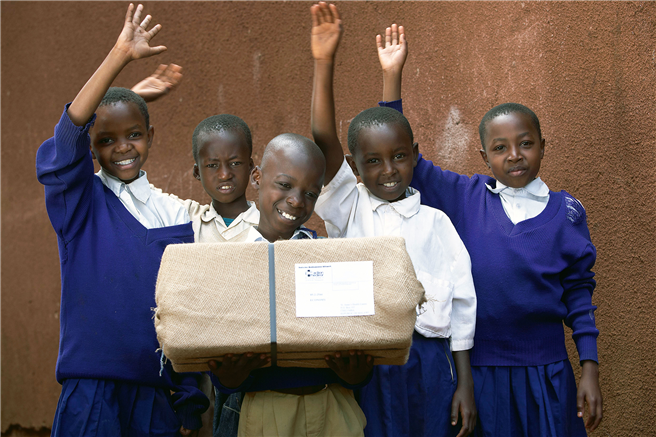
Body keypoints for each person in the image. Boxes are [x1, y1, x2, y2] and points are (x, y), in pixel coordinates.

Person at [378, 27, 603, 437]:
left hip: (548, 373)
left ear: (542, 146)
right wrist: (392, 77)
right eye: (500, 148)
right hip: (480, 373)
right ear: (484, 156)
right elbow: (409, 156)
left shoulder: (566, 212)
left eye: (526, 143)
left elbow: (579, 295)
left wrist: (589, 369)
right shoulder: (466, 197)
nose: (514, 156)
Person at [35, 5, 208, 436]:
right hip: (92, 393)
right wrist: (120, 56)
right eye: (106, 141)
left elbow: (182, 308)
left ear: (152, 137)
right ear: (91, 151)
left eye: (134, 135)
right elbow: (69, 134)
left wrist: (188, 394)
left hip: (154, 395)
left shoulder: (173, 213)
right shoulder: (81, 202)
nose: (122, 148)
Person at [309, 3, 477, 436]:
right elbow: (324, 138)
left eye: (400, 157)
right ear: (355, 166)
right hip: (367, 363)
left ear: (416, 156)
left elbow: (461, 304)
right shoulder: (349, 206)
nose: (388, 170)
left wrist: (466, 383)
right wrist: (323, 62)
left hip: (431, 365)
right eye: (374, 162)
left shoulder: (437, 222)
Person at [208, 133, 373, 437]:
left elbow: (354, 340)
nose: (297, 201)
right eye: (284, 185)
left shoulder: (330, 256)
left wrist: (357, 375)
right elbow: (218, 362)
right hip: (259, 410)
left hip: (332, 408)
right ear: (256, 177)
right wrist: (228, 378)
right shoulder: (228, 260)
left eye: (311, 193)